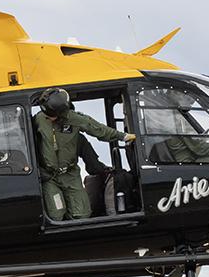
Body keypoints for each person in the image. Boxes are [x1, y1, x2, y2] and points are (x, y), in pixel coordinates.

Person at [34, 87, 136, 221]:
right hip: (49, 177)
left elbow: (97, 129)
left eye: (51, 115)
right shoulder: (38, 120)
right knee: (56, 214)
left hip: (70, 175)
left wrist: (124, 136)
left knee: (82, 214)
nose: (48, 117)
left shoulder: (74, 119)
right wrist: (38, 170)